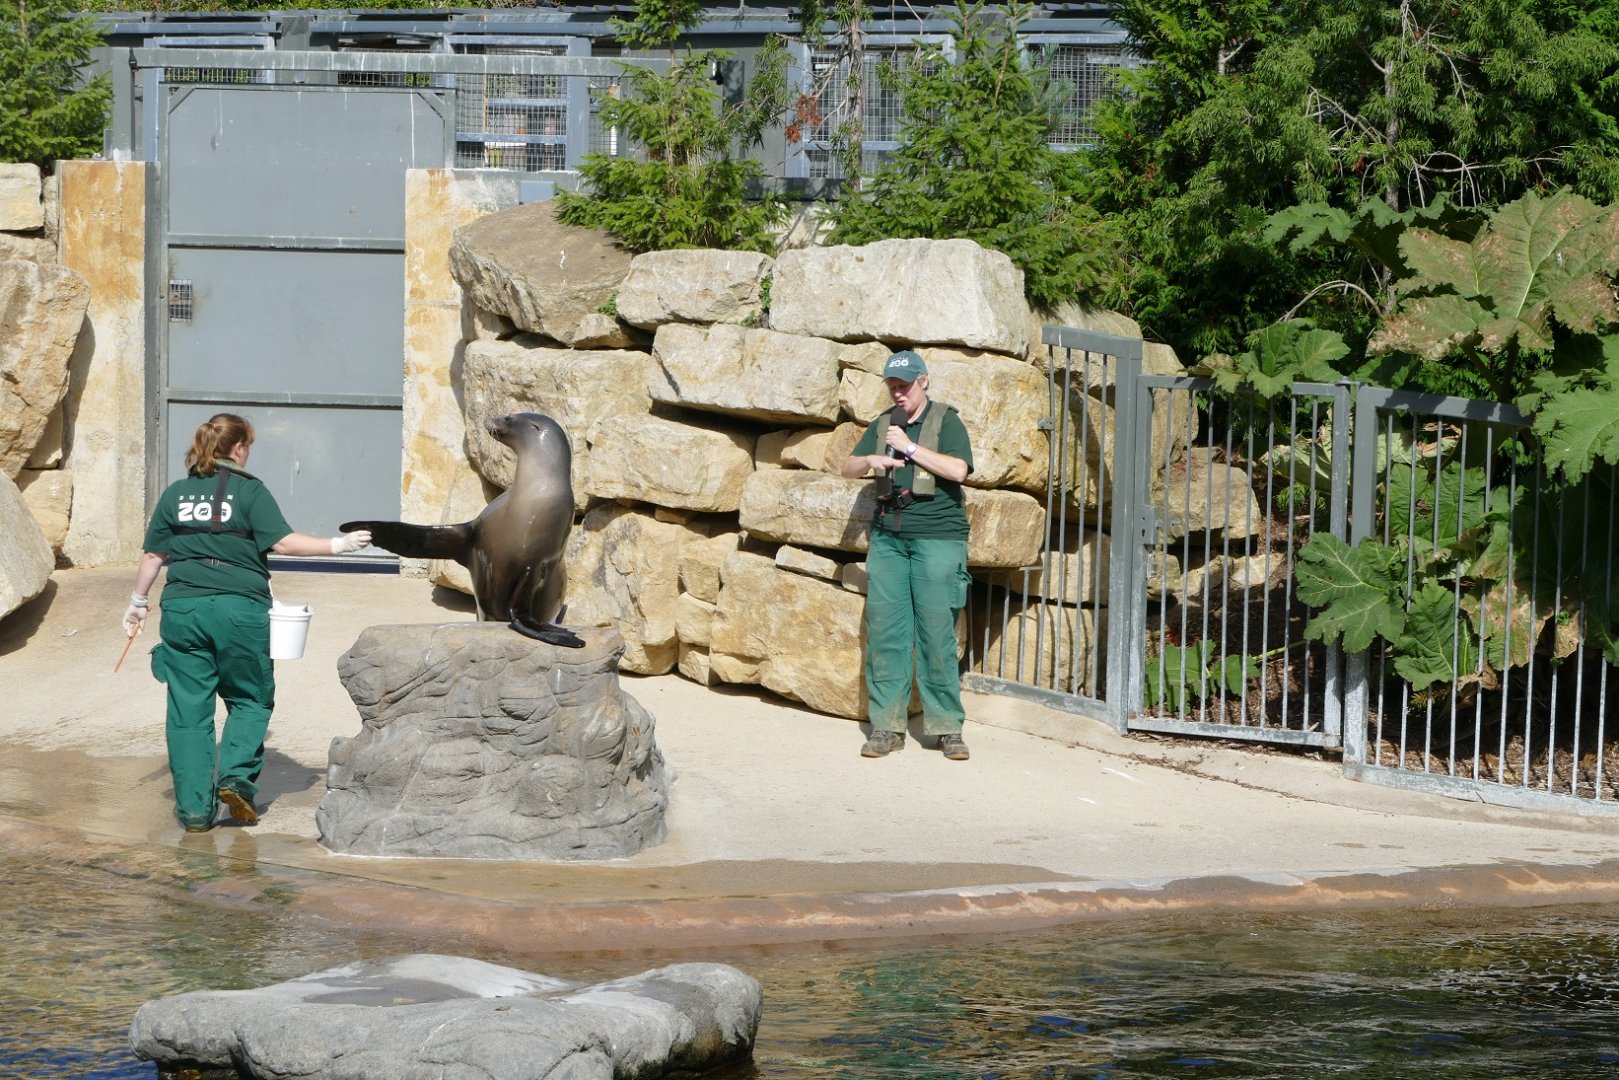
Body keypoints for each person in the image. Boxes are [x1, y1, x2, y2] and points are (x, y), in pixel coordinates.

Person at [122, 413, 372, 833]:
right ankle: (236, 776)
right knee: (250, 699)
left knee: (188, 712)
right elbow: (283, 542)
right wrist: (340, 543)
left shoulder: (176, 493)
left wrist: (137, 602)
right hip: (240, 612)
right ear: (239, 448)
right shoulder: (249, 491)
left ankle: (195, 813)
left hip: (183, 611)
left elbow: (152, 557)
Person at [840, 350, 975, 761]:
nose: (898, 394)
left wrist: (910, 449)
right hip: (889, 540)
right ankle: (887, 726)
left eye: (905, 386)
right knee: (886, 633)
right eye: (893, 387)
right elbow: (846, 467)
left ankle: (947, 728)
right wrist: (870, 459)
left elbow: (958, 471)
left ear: (924, 381)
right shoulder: (883, 423)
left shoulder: (946, 421)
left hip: (938, 539)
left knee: (936, 632)